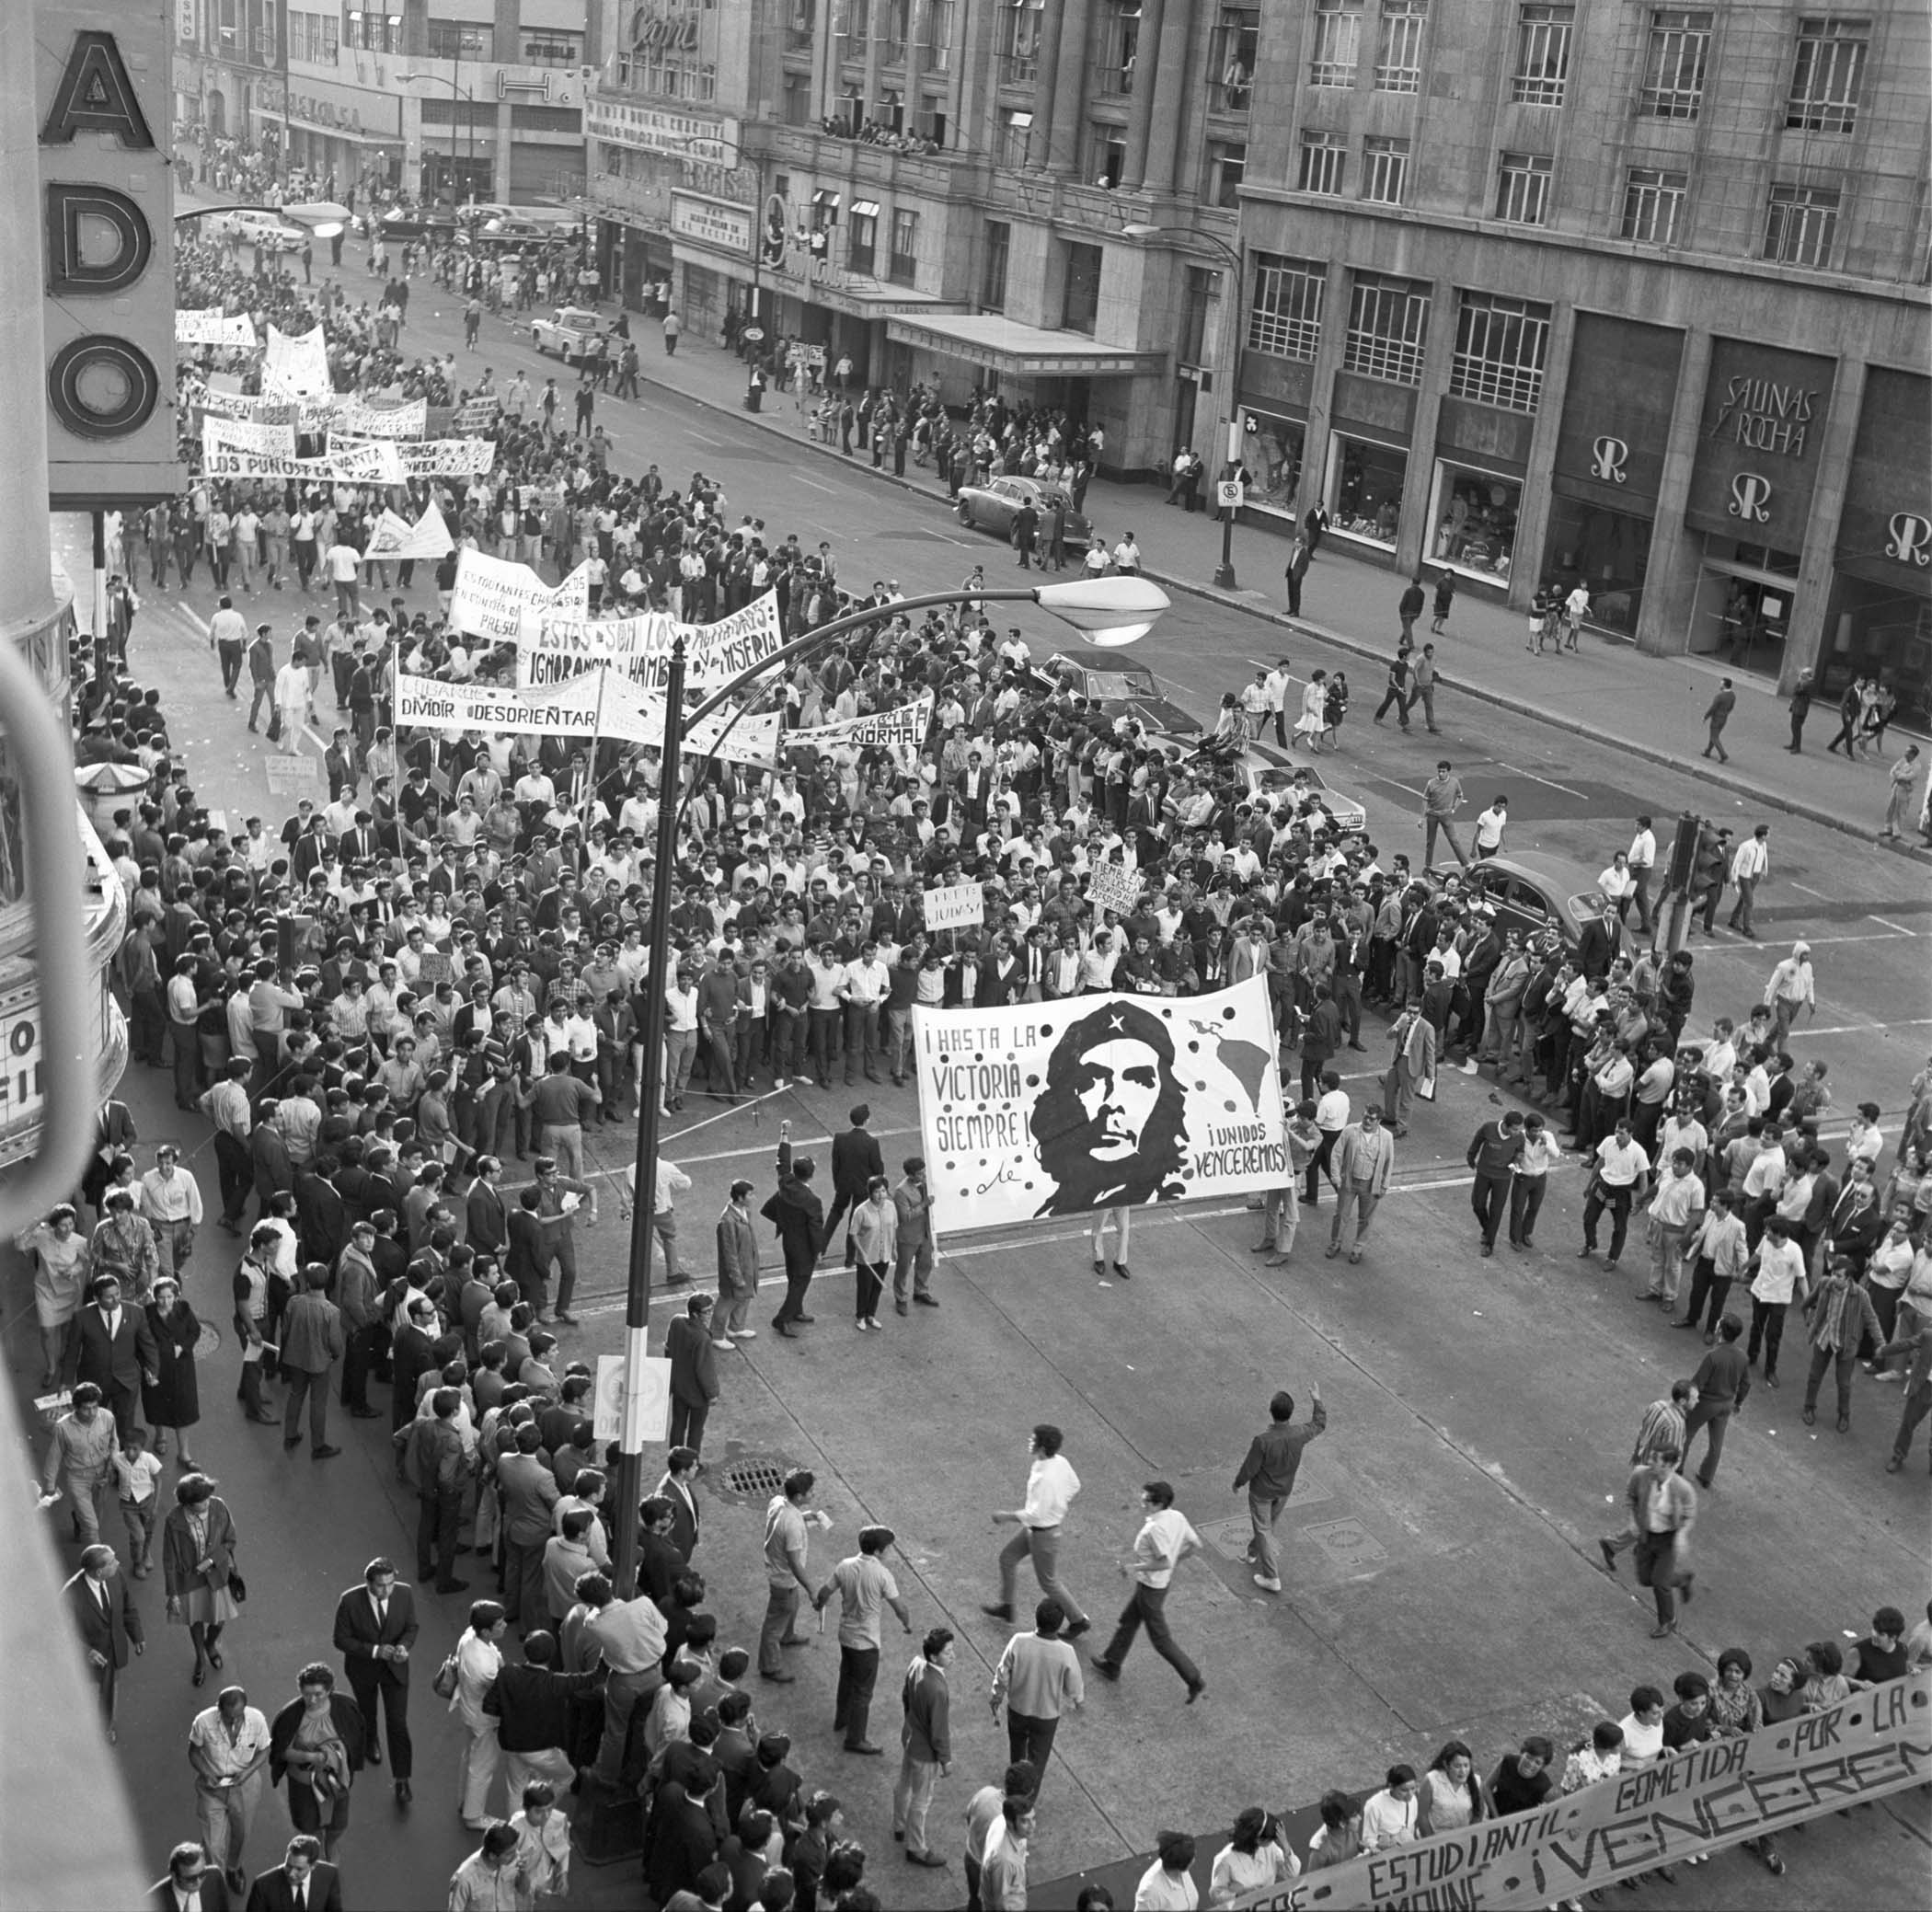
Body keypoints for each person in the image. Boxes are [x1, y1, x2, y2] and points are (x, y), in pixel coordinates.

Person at [1030, 998, 1189, 1215]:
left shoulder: (1168, 1195)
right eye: (1093, 1079)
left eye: (1139, 1080)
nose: (1113, 1106)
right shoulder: (1050, 1208)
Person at [1087, 1480, 1205, 1702]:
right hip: (1158, 1584)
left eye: (1146, 1501)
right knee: (1128, 1620)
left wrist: (1135, 1567)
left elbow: (1163, 1561)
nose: (1142, 1503)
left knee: (1161, 1640)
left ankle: (1193, 1678)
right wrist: (1176, 1560)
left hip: (1150, 1587)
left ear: (1158, 1504)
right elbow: (1195, 1544)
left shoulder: (1154, 1529)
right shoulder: (1177, 1517)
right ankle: (1112, 1662)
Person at [815, 1522, 913, 1755]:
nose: (889, 1552)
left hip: (846, 1634)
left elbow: (824, 1592)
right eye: (888, 1548)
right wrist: (907, 1624)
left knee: (846, 1678)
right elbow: (899, 1607)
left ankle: (842, 1719)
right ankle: (856, 1738)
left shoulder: (845, 1565)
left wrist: (818, 1605)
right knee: (863, 1691)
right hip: (866, 1641)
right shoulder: (882, 1574)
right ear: (878, 1551)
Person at [985, 1422, 1090, 1637]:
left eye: (1033, 1440)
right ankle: (1007, 1606)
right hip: (1037, 1529)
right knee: (1007, 1558)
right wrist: (1059, 1504)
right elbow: (1075, 1485)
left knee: (1049, 1582)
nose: (1029, 1441)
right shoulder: (1059, 1462)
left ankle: (1078, 1619)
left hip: (1043, 1534)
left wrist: (1006, 1516)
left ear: (1042, 1447)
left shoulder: (1045, 1480)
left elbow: (1035, 1514)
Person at [331, 1558, 418, 1807]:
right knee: (367, 1711)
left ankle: (402, 1779)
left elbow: (412, 1627)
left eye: (390, 1584)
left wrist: (403, 1647)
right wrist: (375, 1651)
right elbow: (341, 1639)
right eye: (381, 1586)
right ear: (369, 1583)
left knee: (398, 1723)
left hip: (395, 1670)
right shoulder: (350, 1601)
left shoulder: (405, 1593)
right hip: (363, 1668)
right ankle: (371, 1740)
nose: (386, 1590)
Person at [1232, 1386, 1327, 1594]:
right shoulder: (1299, 1434)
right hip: (1284, 1490)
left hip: (1262, 1493)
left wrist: (1238, 1482)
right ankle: (1251, 1553)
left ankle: (1272, 1577)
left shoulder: (1263, 1441)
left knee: (1263, 1529)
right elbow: (1319, 1424)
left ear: (1271, 1412)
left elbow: (1250, 1467)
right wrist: (1317, 1400)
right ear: (1290, 1412)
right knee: (1266, 1527)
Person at [268, 1664, 365, 1863]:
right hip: (304, 1782)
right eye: (307, 1694)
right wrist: (309, 1758)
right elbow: (281, 1751)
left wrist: (336, 1755)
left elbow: (357, 1736)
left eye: (318, 1694)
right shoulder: (291, 1716)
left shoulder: (346, 1707)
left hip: (336, 1779)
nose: (312, 1700)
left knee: (338, 1822)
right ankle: (317, 1850)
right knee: (309, 1824)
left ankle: (331, 1843)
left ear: (329, 1690)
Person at [189, 1686, 273, 1898]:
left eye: (238, 1716)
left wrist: (248, 1772)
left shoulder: (256, 1720)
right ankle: (215, 1878)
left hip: (244, 1785)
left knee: (241, 1834)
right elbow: (194, 1752)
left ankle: (234, 1868)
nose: (234, 1721)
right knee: (213, 1843)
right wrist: (206, 1773)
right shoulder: (203, 1722)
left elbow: (265, 1749)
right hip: (212, 1787)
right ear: (219, 1709)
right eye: (229, 1717)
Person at [989, 1599, 1085, 1784]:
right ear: (1059, 1624)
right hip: (1046, 1716)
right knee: (1037, 1762)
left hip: (1018, 1709)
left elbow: (1002, 1673)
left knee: (1017, 1753)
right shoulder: (1066, 1652)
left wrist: (997, 1695)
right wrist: (1078, 1700)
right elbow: (1074, 1686)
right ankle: (1026, 1801)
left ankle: (1014, 1786)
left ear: (1036, 1618)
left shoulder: (1018, 1641)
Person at [163, 1471, 241, 1686]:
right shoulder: (174, 1520)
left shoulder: (218, 1507)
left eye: (207, 1497)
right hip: (189, 1580)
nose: (207, 1503)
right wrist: (173, 1593)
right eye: (200, 1501)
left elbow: (230, 1540)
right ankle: (200, 1657)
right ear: (187, 1503)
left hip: (216, 1575)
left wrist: (211, 1560)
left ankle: (210, 1643)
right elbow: (168, 1558)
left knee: (219, 1620)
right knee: (195, 1619)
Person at [64, 1542, 143, 1740]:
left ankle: (106, 1728)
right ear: (100, 1572)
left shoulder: (116, 1577)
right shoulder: (71, 1595)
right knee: (88, 1698)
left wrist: (137, 1636)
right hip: (88, 1661)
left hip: (113, 1651)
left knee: (110, 1694)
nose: (117, 1563)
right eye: (112, 1561)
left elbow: (128, 1606)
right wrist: (86, 1652)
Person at [895, 1625, 954, 1868]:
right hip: (925, 1751)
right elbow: (939, 1731)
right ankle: (916, 1847)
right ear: (934, 1656)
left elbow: (905, 1696)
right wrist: (945, 1759)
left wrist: (911, 1718)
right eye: (948, 1652)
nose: (953, 1656)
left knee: (903, 1784)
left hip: (910, 1737)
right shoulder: (938, 1689)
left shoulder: (916, 1664)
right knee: (922, 1799)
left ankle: (899, 1825)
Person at [1625, 1446, 1696, 1638]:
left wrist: (1682, 1535)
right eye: (1652, 1459)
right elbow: (1631, 1497)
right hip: (1647, 1535)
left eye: (1657, 1462)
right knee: (1645, 1578)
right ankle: (1681, 1579)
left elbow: (1689, 1515)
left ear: (1671, 1465)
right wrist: (1632, 1520)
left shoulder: (1683, 1489)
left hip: (1667, 1540)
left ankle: (1668, 1621)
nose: (1651, 1464)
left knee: (1659, 1582)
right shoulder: (1640, 1475)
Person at [764, 1122, 828, 1337]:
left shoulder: (786, 1182)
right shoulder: (812, 1201)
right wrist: (818, 1251)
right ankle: (782, 1319)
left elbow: (782, 1160)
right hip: (803, 1248)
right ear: (810, 1175)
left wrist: (784, 1133)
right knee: (800, 1282)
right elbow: (815, 1229)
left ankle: (797, 1309)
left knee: (793, 1277)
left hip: (788, 1240)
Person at [758, 1469, 821, 1684]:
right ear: (800, 1496)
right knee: (774, 1623)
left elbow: (786, 1520)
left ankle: (788, 1635)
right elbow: (794, 1562)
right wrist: (812, 1589)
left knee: (791, 1606)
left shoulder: (778, 1502)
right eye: (810, 1491)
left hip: (779, 1573)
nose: (813, 1494)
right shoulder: (793, 1526)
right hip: (783, 1578)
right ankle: (770, 1666)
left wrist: (805, 1516)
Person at [277, 1262, 344, 1458]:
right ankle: (318, 1445)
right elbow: (335, 1343)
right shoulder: (331, 1311)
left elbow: (286, 1329)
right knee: (318, 1403)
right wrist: (334, 1356)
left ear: (306, 1282)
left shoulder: (294, 1302)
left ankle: (290, 1435)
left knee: (295, 1394)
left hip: (296, 1358)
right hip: (319, 1363)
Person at [452, 1601, 510, 1830]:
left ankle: (464, 1801)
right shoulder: (484, 1666)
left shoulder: (469, 1637)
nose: (504, 1626)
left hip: (469, 1709)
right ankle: (473, 1816)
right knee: (482, 1767)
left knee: (470, 1757)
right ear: (486, 1631)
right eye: (499, 1624)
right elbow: (500, 1686)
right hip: (484, 1719)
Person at [40, 1380, 119, 1548]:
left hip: (102, 1475)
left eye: (94, 1407)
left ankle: (78, 1518)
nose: (91, 1413)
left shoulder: (107, 1417)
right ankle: (97, 1566)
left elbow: (114, 1443)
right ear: (76, 1408)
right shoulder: (63, 1427)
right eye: (86, 1408)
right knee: (92, 1527)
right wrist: (49, 1485)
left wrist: (113, 1466)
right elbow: (54, 1456)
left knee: (96, 1515)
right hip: (78, 1479)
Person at [1680, 1314, 1751, 1487]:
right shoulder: (1742, 1357)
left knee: (1686, 1433)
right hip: (1726, 1404)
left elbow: (1697, 1384)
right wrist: (1738, 1402)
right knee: (1716, 1442)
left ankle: (1677, 1467)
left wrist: (1686, 1403)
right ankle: (1706, 1476)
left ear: (1720, 1330)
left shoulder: (1713, 1356)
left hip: (1706, 1403)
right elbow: (1746, 1384)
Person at [143, 1274, 203, 1469]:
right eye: (161, 1297)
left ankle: (184, 1454)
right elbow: (141, 1341)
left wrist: (183, 1347)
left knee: (183, 1408)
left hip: (181, 1368)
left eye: (170, 1297)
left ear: (176, 1296)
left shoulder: (184, 1309)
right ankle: (160, 1437)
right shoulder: (146, 1313)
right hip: (156, 1367)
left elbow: (195, 1331)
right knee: (156, 1404)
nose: (166, 1301)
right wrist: (146, 1366)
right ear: (154, 1297)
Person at [1328, 1105, 1395, 1264]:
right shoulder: (1350, 1131)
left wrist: (1384, 1185)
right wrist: (1336, 1176)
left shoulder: (1386, 1137)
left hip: (1371, 1184)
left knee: (1366, 1219)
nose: (1367, 1121)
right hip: (1349, 1181)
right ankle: (1335, 1243)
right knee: (1341, 1214)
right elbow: (1337, 1153)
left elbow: (1389, 1161)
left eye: (1371, 1119)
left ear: (1378, 1121)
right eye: (1365, 1117)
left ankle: (1358, 1248)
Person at [664, 1291, 721, 1451]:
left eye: (712, 1309)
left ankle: (674, 1457)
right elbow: (705, 1369)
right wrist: (712, 1393)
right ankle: (691, 1461)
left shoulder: (677, 1322)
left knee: (678, 1424)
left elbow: (669, 1349)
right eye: (707, 1312)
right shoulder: (702, 1338)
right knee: (696, 1430)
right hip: (697, 1393)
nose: (711, 1314)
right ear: (696, 1314)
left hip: (679, 1387)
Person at [1209, 1809, 1299, 1906]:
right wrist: (1236, 1894)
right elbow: (1216, 1896)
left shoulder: (1270, 1848)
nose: (1273, 1841)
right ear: (1257, 1839)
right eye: (1270, 1839)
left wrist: (1286, 1847)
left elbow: (1292, 1874)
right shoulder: (1225, 1860)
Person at [241, 1836, 342, 1912]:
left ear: (313, 1866)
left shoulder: (329, 1875)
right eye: (288, 1866)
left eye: (299, 1869)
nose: (291, 1874)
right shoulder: (263, 1886)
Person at [447, 1823, 534, 1912]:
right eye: (509, 1853)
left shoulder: (512, 1861)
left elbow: (523, 1891)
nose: (516, 1855)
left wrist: (523, 1873)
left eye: (516, 1849)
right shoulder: (464, 1879)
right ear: (492, 1856)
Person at [850, 1174, 897, 1330]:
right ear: (870, 1193)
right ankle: (860, 1317)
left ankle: (871, 1315)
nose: (880, 1195)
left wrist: (894, 1248)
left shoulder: (891, 1206)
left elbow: (893, 1228)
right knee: (865, 1288)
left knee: (877, 1286)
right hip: (867, 1256)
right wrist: (861, 1252)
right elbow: (853, 1233)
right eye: (877, 1191)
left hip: (884, 1254)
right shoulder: (861, 1211)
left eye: (883, 1191)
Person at [716, 1178, 761, 1339]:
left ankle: (736, 1327)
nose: (753, 1198)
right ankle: (716, 1335)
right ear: (740, 1198)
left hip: (747, 1265)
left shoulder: (744, 1212)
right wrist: (736, 1277)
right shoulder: (727, 1221)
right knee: (727, 1301)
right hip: (737, 1269)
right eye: (750, 1195)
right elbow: (729, 1252)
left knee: (744, 1297)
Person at [891, 1157, 937, 1312]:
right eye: (919, 1174)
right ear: (910, 1175)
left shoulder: (927, 1183)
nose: (923, 1176)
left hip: (925, 1232)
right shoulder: (901, 1191)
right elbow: (905, 1216)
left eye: (924, 1172)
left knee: (925, 1264)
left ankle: (921, 1291)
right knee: (903, 1268)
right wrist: (924, 1204)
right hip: (909, 1236)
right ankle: (900, 1298)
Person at [152, 1840, 235, 1912]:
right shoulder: (154, 1901)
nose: (198, 1882)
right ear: (174, 1876)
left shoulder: (214, 1877)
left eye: (202, 1873)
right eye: (191, 1879)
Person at [1134, 1830, 1199, 1910]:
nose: (1195, 1857)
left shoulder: (1177, 1862)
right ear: (1180, 1865)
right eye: (1193, 1857)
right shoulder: (1150, 1891)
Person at [1702, 679, 1736, 762]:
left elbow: (1713, 708)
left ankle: (1723, 754)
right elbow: (1731, 707)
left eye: (1721, 684)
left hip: (1716, 719)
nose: (1720, 685)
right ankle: (1708, 751)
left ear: (1724, 685)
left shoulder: (1720, 696)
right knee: (1715, 736)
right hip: (1724, 719)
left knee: (1714, 737)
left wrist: (1705, 717)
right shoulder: (1732, 695)